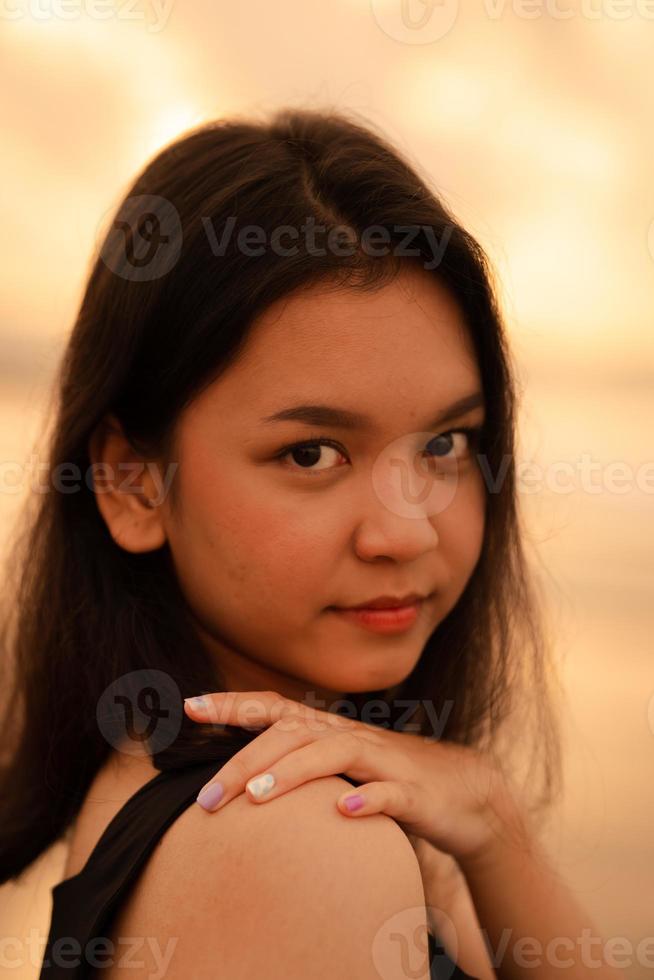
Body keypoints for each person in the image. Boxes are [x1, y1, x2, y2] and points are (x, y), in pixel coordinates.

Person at [0, 106, 625, 979]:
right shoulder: (295, 837)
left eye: (444, 444)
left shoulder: (269, 796)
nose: (404, 531)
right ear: (133, 483)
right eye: (312, 454)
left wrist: (490, 819)